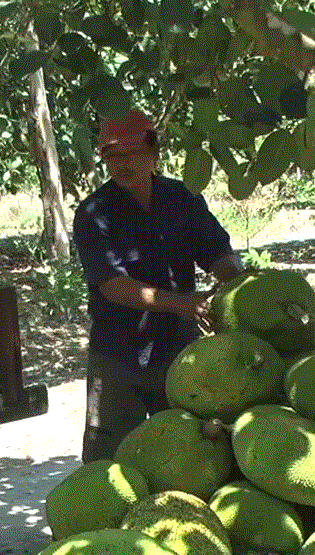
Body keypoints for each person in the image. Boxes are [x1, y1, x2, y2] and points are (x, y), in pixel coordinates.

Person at [71, 108, 245, 464]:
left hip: (177, 351)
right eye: (112, 157)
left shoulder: (181, 199)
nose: (122, 165)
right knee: (109, 464)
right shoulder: (94, 214)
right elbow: (113, 286)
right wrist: (185, 303)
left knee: (188, 455)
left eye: (131, 154)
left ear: (154, 152)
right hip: (118, 355)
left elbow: (217, 254)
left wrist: (242, 289)